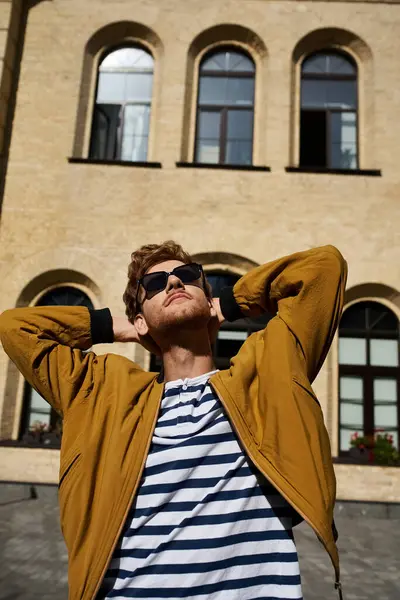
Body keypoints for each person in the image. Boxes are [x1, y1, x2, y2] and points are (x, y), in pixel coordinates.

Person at [0, 241, 347, 600]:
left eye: (187, 276)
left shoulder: (265, 373)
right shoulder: (104, 391)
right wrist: (120, 327)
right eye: (154, 284)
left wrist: (228, 303)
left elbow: (323, 267)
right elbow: (15, 328)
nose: (173, 284)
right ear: (139, 319)